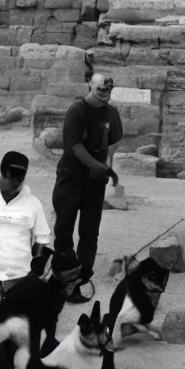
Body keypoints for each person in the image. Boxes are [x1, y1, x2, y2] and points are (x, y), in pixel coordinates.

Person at [52, 73, 123, 302]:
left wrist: (107, 164)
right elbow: (73, 145)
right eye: (101, 90)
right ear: (90, 88)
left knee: (89, 232)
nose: (105, 95)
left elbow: (114, 140)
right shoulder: (77, 111)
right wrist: (97, 166)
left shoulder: (111, 112)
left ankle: (82, 277)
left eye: (108, 91)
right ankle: (65, 276)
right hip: (70, 179)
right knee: (64, 230)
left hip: (94, 183)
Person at [0, 151, 53, 308]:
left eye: (18, 181)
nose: (14, 185)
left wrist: (37, 260)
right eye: (11, 180)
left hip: (18, 271)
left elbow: (42, 237)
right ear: (4, 173)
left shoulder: (32, 204)